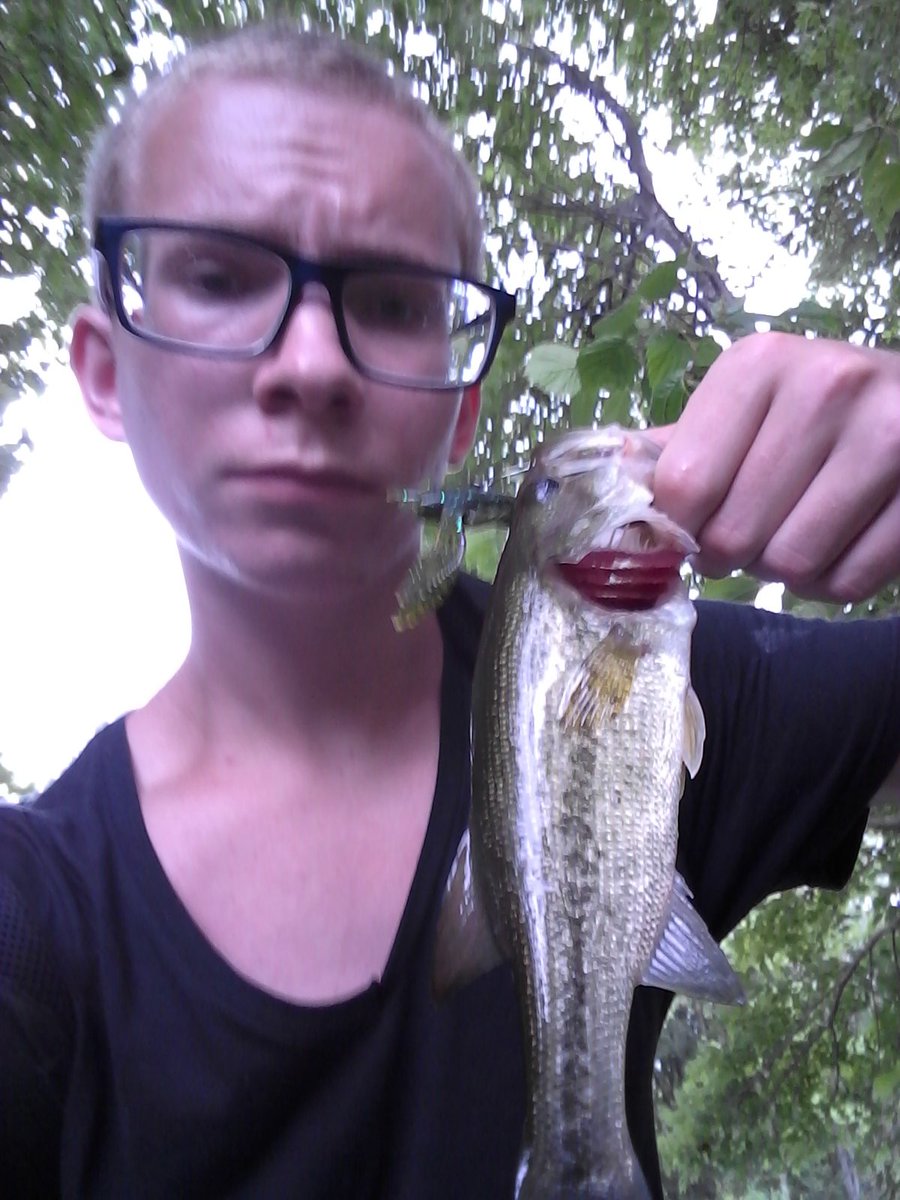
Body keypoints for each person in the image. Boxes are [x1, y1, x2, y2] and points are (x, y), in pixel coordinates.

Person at [1, 21, 898, 1200]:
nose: (310, 364)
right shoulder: (29, 918)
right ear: (105, 370)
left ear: (461, 408)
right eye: (219, 277)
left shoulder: (657, 686)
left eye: (388, 300)